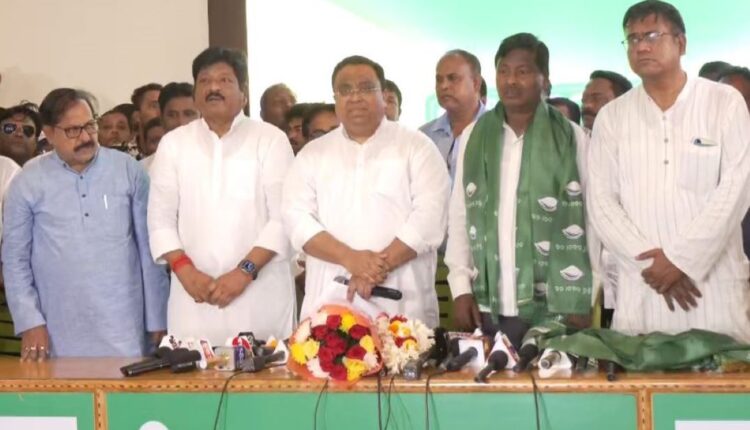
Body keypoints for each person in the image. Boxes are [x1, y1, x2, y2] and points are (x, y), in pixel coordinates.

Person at [587, 0, 750, 342]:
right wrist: (655, 267)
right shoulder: (613, 116)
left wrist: (682, 261)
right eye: (632, 39)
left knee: (722, 374)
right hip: (645, 288)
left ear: (681, 43)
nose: (641, 46)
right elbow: (601, 202)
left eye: (652, 35)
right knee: (642, 371)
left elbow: (736, 189)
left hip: (711, 287)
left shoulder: (724, 102)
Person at [446, 33, 592, 348]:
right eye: (504, 71)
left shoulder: (572, 138)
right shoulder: (474, 136)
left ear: (545, 79)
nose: (511, 81)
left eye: (523, 71)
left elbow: (590, 219)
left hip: (556, 304)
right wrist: (460, 288)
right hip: (487, 304)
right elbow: (459, 215)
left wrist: (585, 296)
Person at [282, 55, 450, 327]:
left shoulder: (417, 146)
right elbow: (296, 220)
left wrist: (373, 268)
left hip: (403, 302)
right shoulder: (313, 154)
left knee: (404, 350)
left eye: (366, 88)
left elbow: (430, 218)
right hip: (329, 303)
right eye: (345, 90)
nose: (355, 97)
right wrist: (350, 258)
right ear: (335, 99)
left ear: (384, 95)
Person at [2, 88, 169, 359]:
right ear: (49, 133)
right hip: (57, 331)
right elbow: (14, 260)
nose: (86, 137)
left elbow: (150, 251)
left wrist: (157, 318)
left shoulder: (128, 170)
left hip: (124, 328)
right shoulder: (27, 181)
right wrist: (30, 322)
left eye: (90, 125)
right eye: (73, 130)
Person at [148, 47, 296, 344]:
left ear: (243, 93)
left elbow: (283, 217)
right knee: (194, 370)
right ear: (195, 93)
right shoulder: (174, 144)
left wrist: (244, 272)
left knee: (266, 370)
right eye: (204, 81)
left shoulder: (270, 139)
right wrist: (184, 271)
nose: (213, 87)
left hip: (259, 293)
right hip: (193, 295)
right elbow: (160, 219)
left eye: (225, 80)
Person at [420, 50, 485, 182]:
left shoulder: (497, 130)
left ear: (476, 83)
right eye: (439, 80)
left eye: (453, 78)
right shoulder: (424, 136)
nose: (444, 86)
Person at [0, 102, 41, 167]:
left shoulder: (49, 171)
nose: (19, 134)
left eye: (27, 130)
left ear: (36, 141)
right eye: (10, 128)